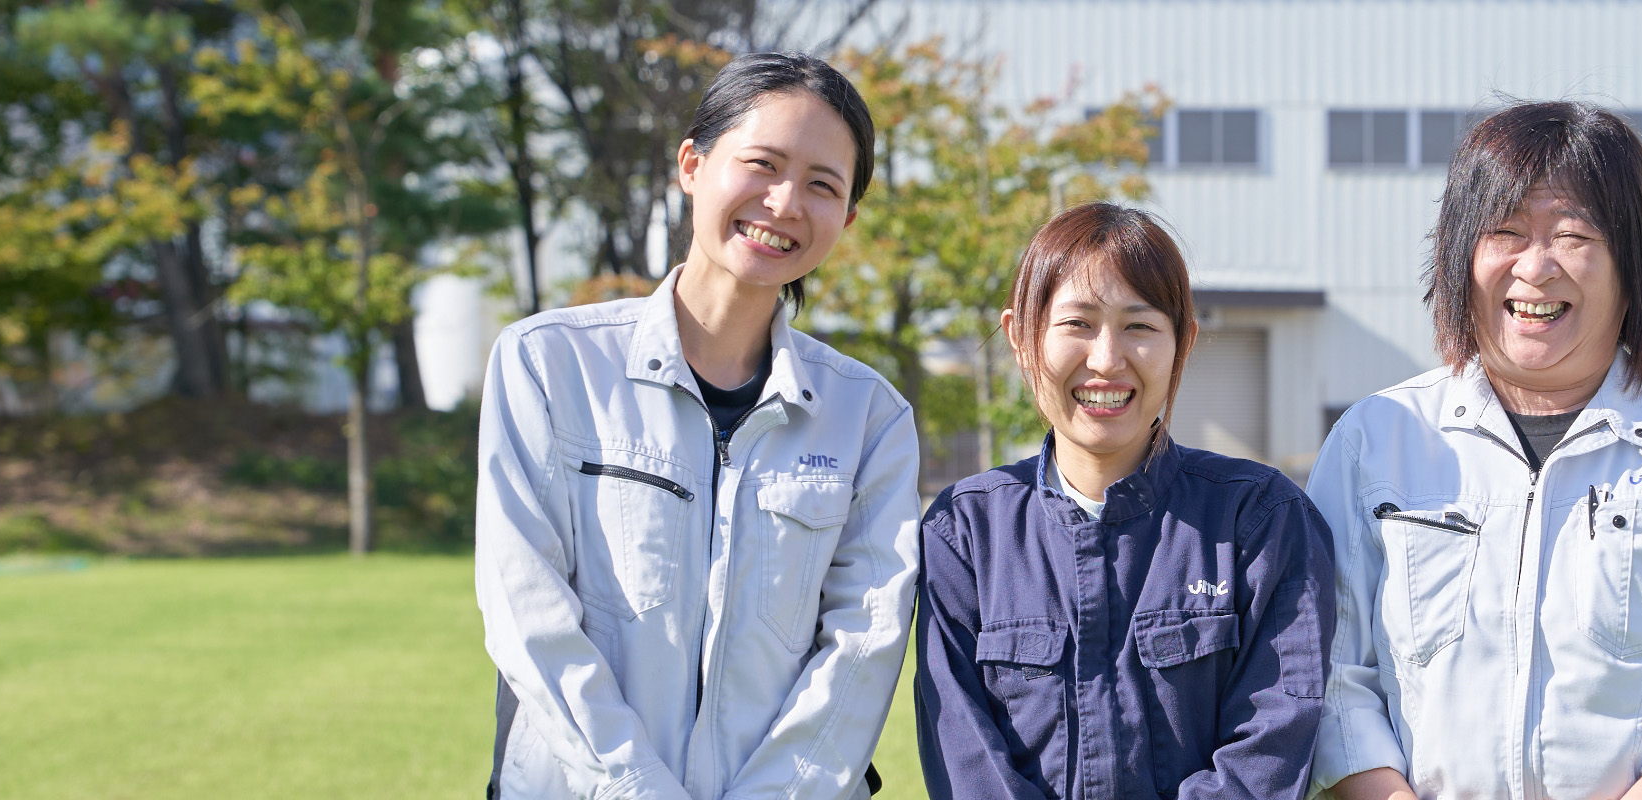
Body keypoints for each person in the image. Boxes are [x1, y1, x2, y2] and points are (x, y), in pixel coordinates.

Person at [1309, 101, 1642, 800]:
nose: (1536, 267)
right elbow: (1327, 670)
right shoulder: (1377, 439)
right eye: (1506, 231)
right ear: (1460, 256)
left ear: (1631, 262)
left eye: (1574, 234)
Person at [474, 52, 919, 799]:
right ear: (692, 164)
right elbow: (529, 615)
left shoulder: (869, 417)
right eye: (762, 164)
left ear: (846, 216)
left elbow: (862, 650)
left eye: (822, 185)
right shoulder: (548, 364)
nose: (784, 202)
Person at [915, 203, 1336, 800]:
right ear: (1020, 337)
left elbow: (1272, 745)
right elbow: (967, 760)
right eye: (1077, 324)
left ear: (1183, 342)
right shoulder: (965, 533)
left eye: (1139, 327)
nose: (1107, 360)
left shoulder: (1261, 519)